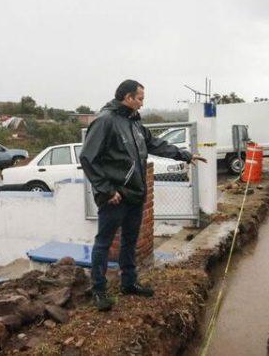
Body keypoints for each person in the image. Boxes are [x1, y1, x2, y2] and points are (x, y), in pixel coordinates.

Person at [80, 79, 206, 311]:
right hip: (115, 197)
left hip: (135, 194)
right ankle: (99, 290)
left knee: (130, 240)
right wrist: (107, 190)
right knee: (103, 243)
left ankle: (129, 283)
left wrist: (186, 155)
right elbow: (88, 158)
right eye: (140, 98)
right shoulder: (105, 121)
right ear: (127, 98)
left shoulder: (134, 122)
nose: (142, 103)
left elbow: (155, 144)